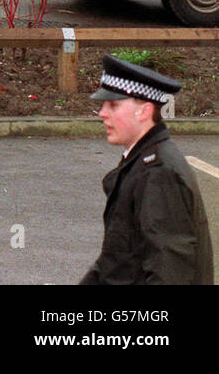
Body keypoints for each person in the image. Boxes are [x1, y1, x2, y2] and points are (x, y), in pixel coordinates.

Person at [80, 55, 212, 285]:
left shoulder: (159, 173)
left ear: (143, 111)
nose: (102, 113)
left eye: (113, 105)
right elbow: (116, 260)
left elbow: (170, 270)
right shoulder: (140, 160)